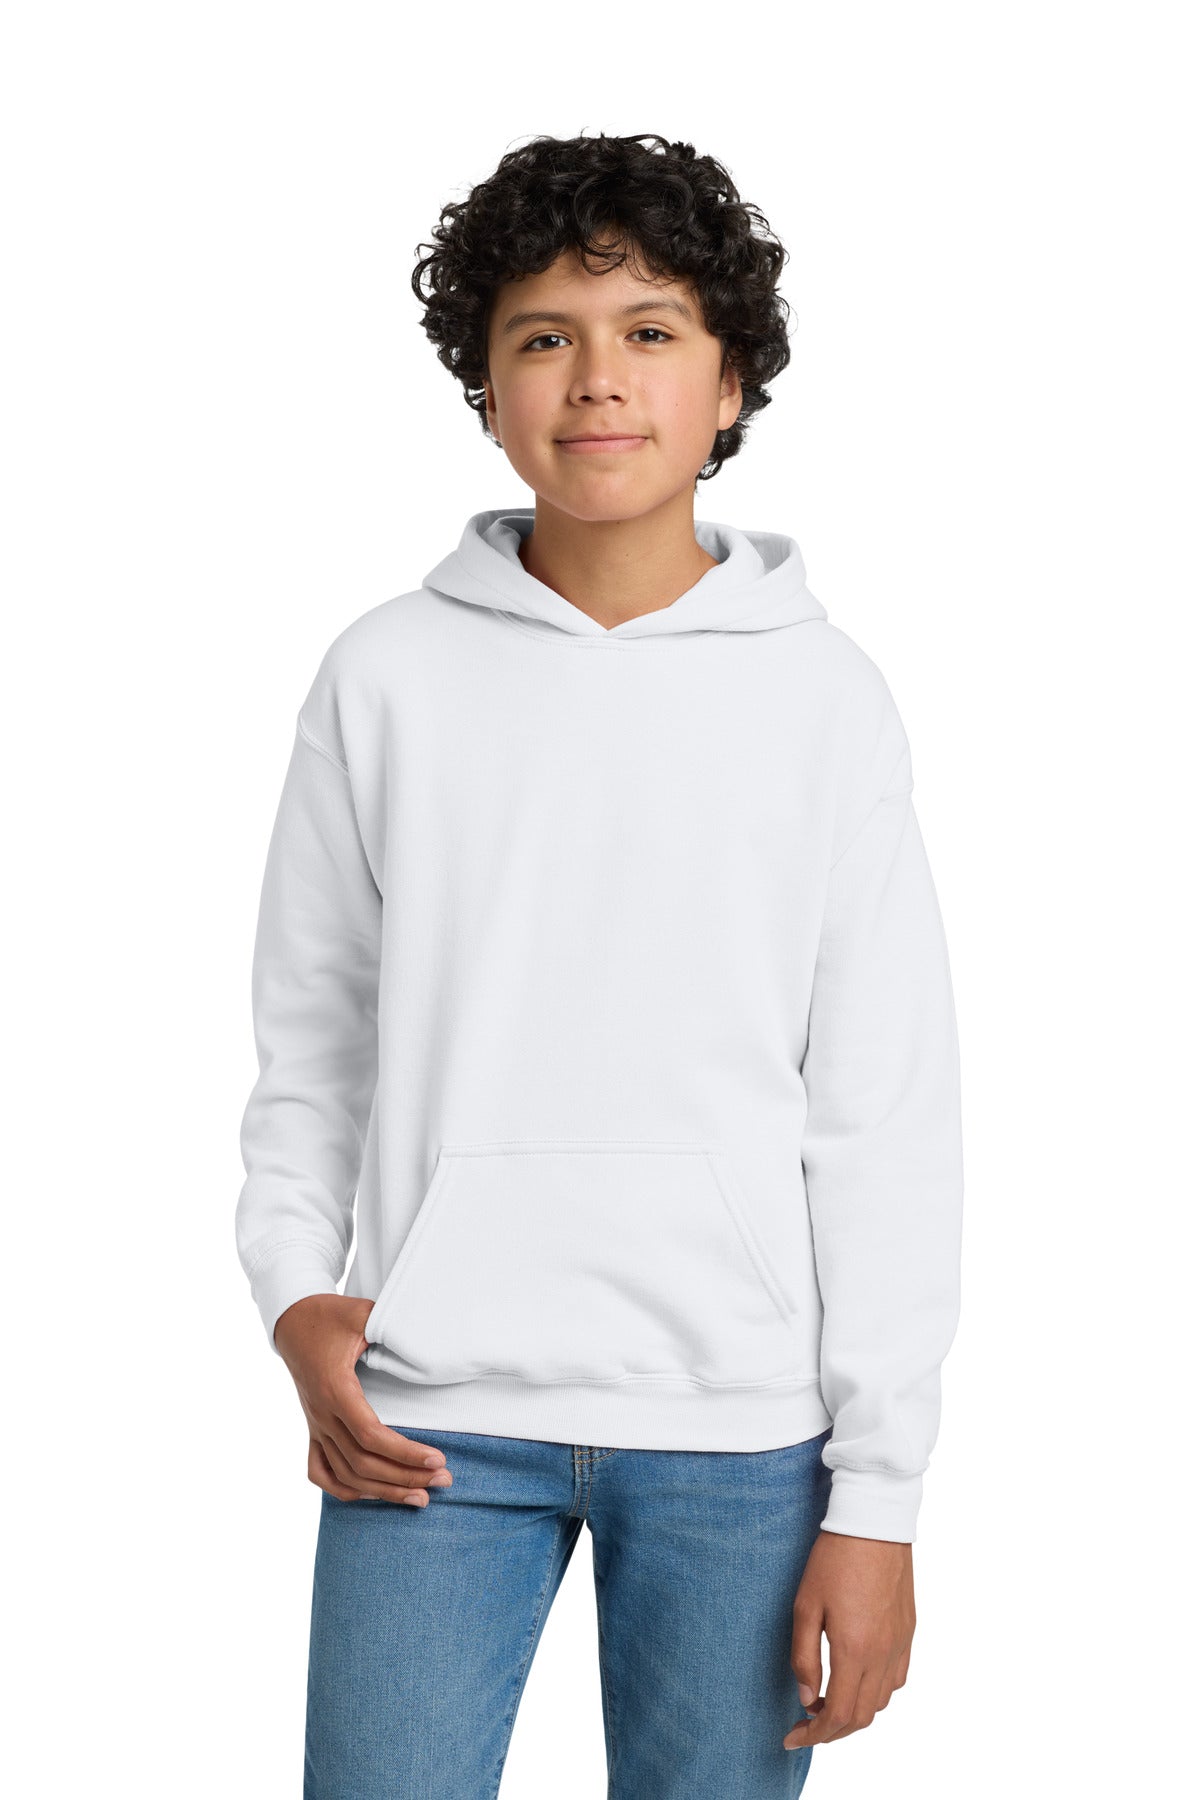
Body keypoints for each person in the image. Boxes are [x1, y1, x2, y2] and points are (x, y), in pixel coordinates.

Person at [235, 131, 964, 1799]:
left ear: (730, 384)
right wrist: (291, 1295)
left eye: (650, 330)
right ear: (488, 389)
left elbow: (885, 1112)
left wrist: (881, 1497)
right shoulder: (385, 676)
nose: (597, 379)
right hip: (427, 1423)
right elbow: (312, 1041)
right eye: (543, 336)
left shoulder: (825, 699)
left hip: (738, 1440)